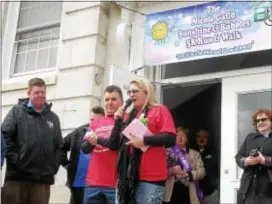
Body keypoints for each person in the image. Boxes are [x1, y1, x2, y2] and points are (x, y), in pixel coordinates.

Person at [90, 78, 176, 204]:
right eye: (129, 92)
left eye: (135, 91)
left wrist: (145, 140)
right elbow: (115, 144)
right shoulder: (131, 115)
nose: (131, 95)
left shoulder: (159, 110)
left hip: (151, 176)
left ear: (146, 92)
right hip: (130, 177)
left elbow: (170, 138)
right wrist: (118, 120)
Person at [1, 77, 63, 204]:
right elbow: (5, 137)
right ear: (28, 93)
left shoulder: (53, 118)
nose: (40, 95)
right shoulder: (16, 111)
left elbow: (59, 146)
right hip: (17, 178)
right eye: (36, 92)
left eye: (43, 92)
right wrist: (17, 161)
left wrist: (53, 167)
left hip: (42, 180)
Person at [81, 85, 124, 204]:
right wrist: (91, 142)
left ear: (122, 102)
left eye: (114, 99)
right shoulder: (96, 122)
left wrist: (98, 139)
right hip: (93, 182)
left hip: (116, 184)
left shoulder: (126, 120)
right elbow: (84, 149)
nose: (109, 103)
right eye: (107, 99)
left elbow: (119, 145)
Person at [60, 106, 105, 204]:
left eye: (98, 120)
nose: (94, 122)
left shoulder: (107, 133)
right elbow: (61, 146)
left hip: (98, 185)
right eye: (92, 119)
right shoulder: (79, 132)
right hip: (78, 183)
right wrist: (66, 164)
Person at [236, 109, 272, 204]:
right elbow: (238, 156)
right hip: (247, 190)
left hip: (268, 191)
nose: (260, 122)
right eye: (257, 120)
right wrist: (245, 161)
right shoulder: (250, 137)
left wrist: (264, 160)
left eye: (263, 119)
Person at [164, 127, 205, 204]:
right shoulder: (167, 152)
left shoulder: (195, 154)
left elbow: (202, 172)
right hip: (171, 193)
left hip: (189, 192)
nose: (180, 137)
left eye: (183, 135)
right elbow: (160, 171)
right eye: (177, 135)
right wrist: (172, 170)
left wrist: (187, 174)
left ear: (187, 139)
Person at [195, 129, 219, 204]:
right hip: (194, 194)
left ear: (208, 138)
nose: (201, 139)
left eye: (204, 136)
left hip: (211, 194)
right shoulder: (191, 151)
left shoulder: (214, 152)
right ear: (196, 138)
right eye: (199, 136)